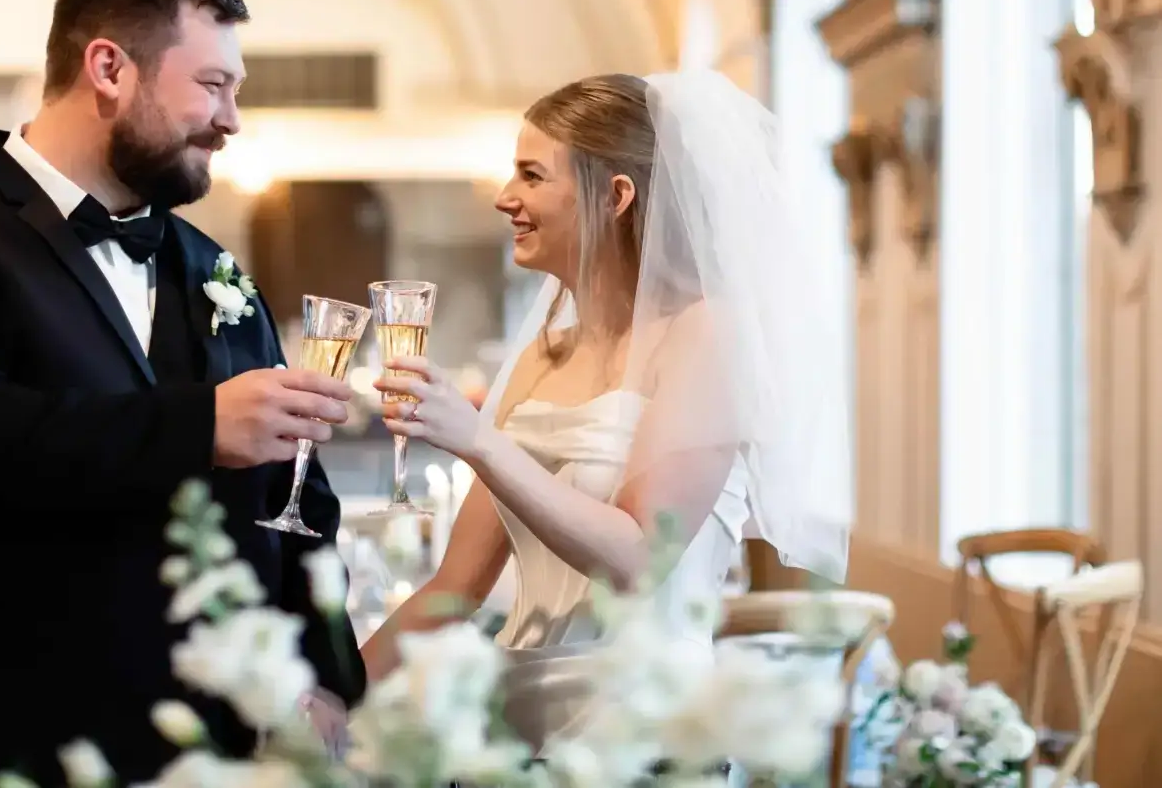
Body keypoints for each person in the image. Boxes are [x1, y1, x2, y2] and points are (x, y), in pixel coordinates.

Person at [0, 0, 364, 788]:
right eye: (213, 85)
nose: (232, 120)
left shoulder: (212, 267)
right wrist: (200, 426)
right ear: (108, 67)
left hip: (191, 749)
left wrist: (322, 677)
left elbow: (298, 500)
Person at [360, 71, 851, 754]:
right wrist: (325, 692)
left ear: (615, 194)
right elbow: (454, 586)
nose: (505, 198)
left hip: (643, 726)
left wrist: (478, 440)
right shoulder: (541, 355)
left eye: (531, 175)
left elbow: (641, 557)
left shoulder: (705, 333)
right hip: (518, 720)